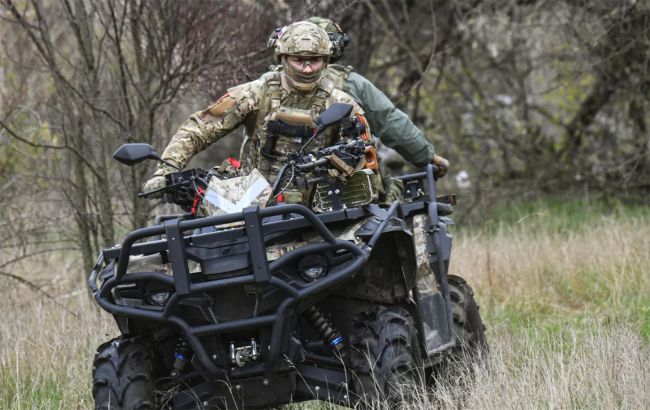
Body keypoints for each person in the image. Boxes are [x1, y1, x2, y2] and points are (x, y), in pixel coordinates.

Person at [143, 21, 369, 203]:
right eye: (299, 60)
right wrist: (165, 171)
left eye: (315, 61)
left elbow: (365, 157)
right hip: (250, 198)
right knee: (199, 226)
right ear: (283, 57)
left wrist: (342, 162)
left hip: (318, 204)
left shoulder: (342, 103)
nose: (307, 68)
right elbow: (198, 129)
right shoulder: (255, 93)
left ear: (326, 60)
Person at [267, 17, 449, 176]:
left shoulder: (267, 83)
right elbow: (390, 122)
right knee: (390, 192)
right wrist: (427, 157)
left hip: (272, 184)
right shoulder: (351, 84)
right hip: (335, 186)